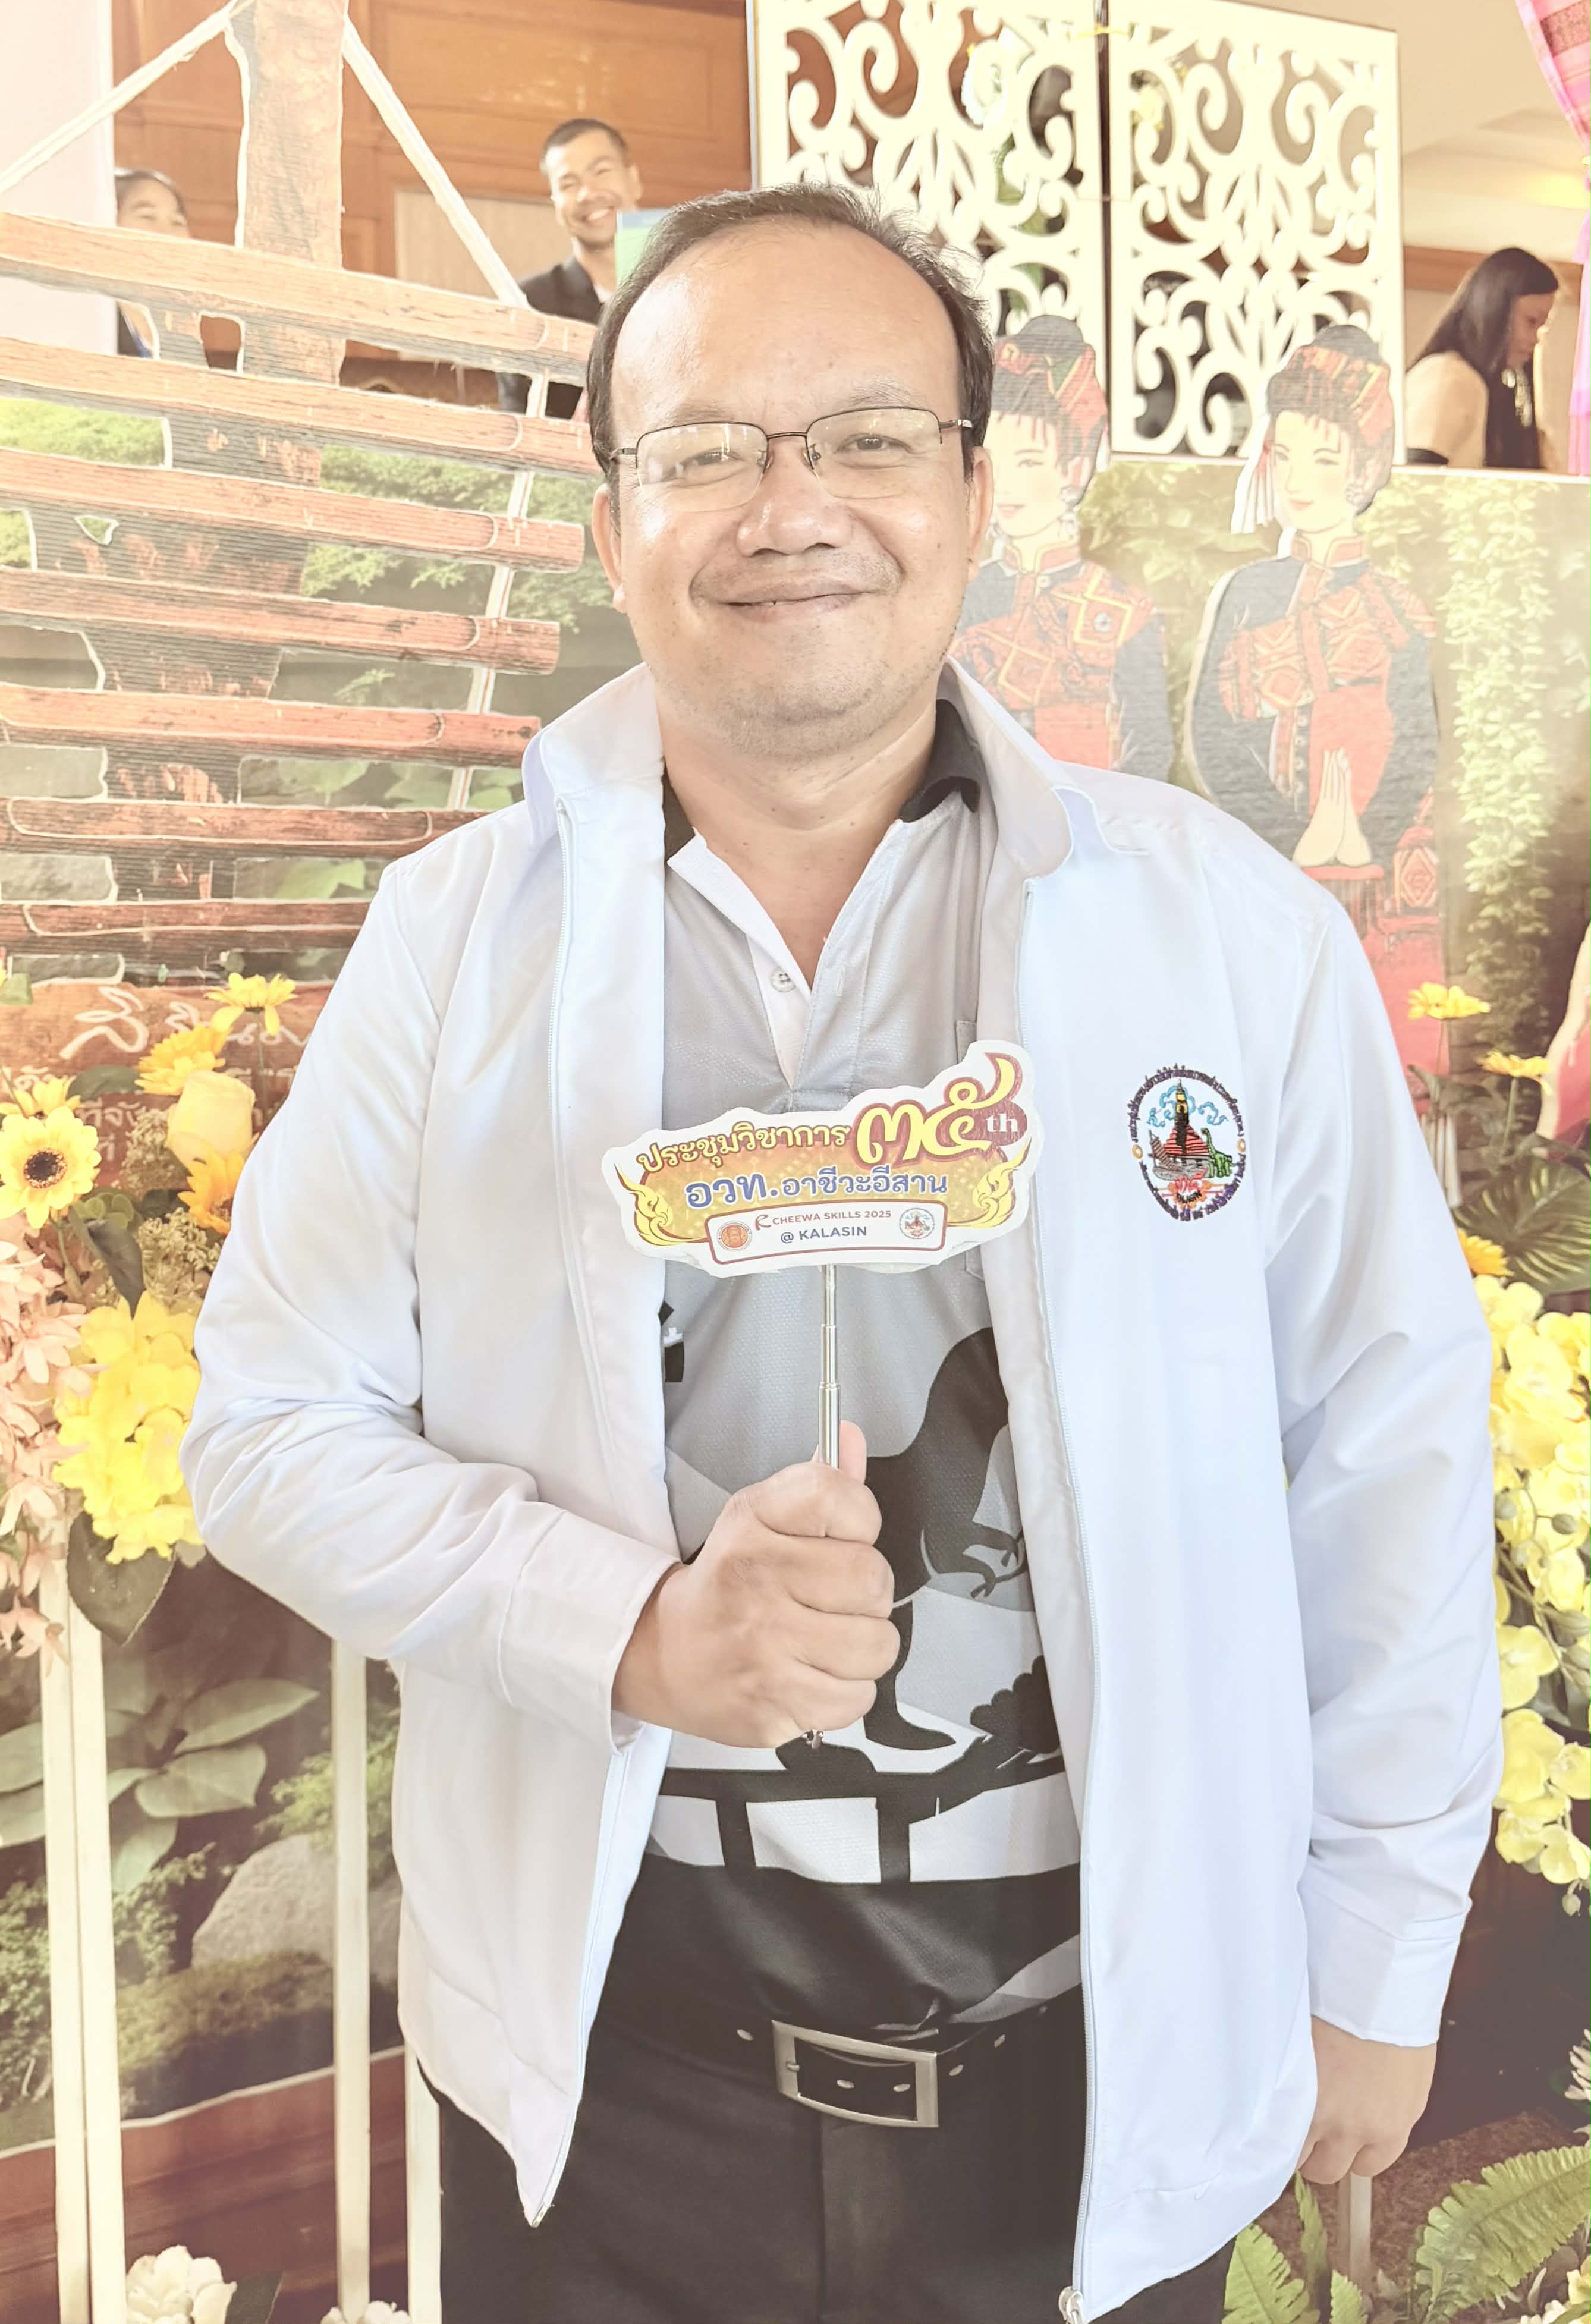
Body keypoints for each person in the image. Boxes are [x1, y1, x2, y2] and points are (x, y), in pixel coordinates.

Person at [184, 185, 1500, 2324]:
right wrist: (630, 1631)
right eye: (706, 449)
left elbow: (1385, 1442)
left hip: (1096, 2074)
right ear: (614, 523)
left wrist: (1376, 1944)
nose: (789, 505)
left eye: (868, 438)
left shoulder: (1226, 937)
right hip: (611, 2094)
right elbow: (266, 1428)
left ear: (973, 498)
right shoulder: (454, 941)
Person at [1187, 325, 1447, 1076]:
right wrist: (1292, 835)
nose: (1299, 480)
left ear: (1364, 467)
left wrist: (1364, 837)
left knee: (1374, 1054)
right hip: (1265, 857)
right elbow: (1213, 732)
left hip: (1382, 868)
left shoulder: (1399, 605)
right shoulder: (1244, 592)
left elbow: (1419, 742)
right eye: (1287, 455)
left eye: (1325, 459)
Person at [954, 315, 1172, 778]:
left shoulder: (1124, 610)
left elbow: (1149, 750)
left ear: (1074, 467)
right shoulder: (958, 595)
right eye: (994, 462)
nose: (1006, 485)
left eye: (1029, 461)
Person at [497, 114, 643, 419]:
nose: (587, 193)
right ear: (554, 202)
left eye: (601, 171)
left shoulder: (683, 287)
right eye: (568, 184)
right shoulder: (528, 306)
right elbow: (520, 423)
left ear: (634, 180)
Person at [1404, 247, 1561, 472]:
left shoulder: (1504, 392)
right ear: (1495, 310)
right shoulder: (1449, 378)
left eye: (1542, 327)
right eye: (1531, 321)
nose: (1536, 339)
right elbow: (1413, 482)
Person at [113, 165, 190, 356]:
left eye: (177, 222)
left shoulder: (183, 337)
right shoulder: (88, 322)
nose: (167, 233)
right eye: (147, 217)